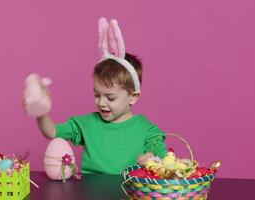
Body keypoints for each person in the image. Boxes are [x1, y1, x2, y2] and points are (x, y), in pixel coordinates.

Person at [24, 17, 167, 174]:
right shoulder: (86, 124)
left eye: (110, 97)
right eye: (97, 95)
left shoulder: (147, 131)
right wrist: (40, 113)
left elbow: (165, 163)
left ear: (133, 97)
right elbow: (52, 132)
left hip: (129, 194)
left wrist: (152, 161)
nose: (101, 103)